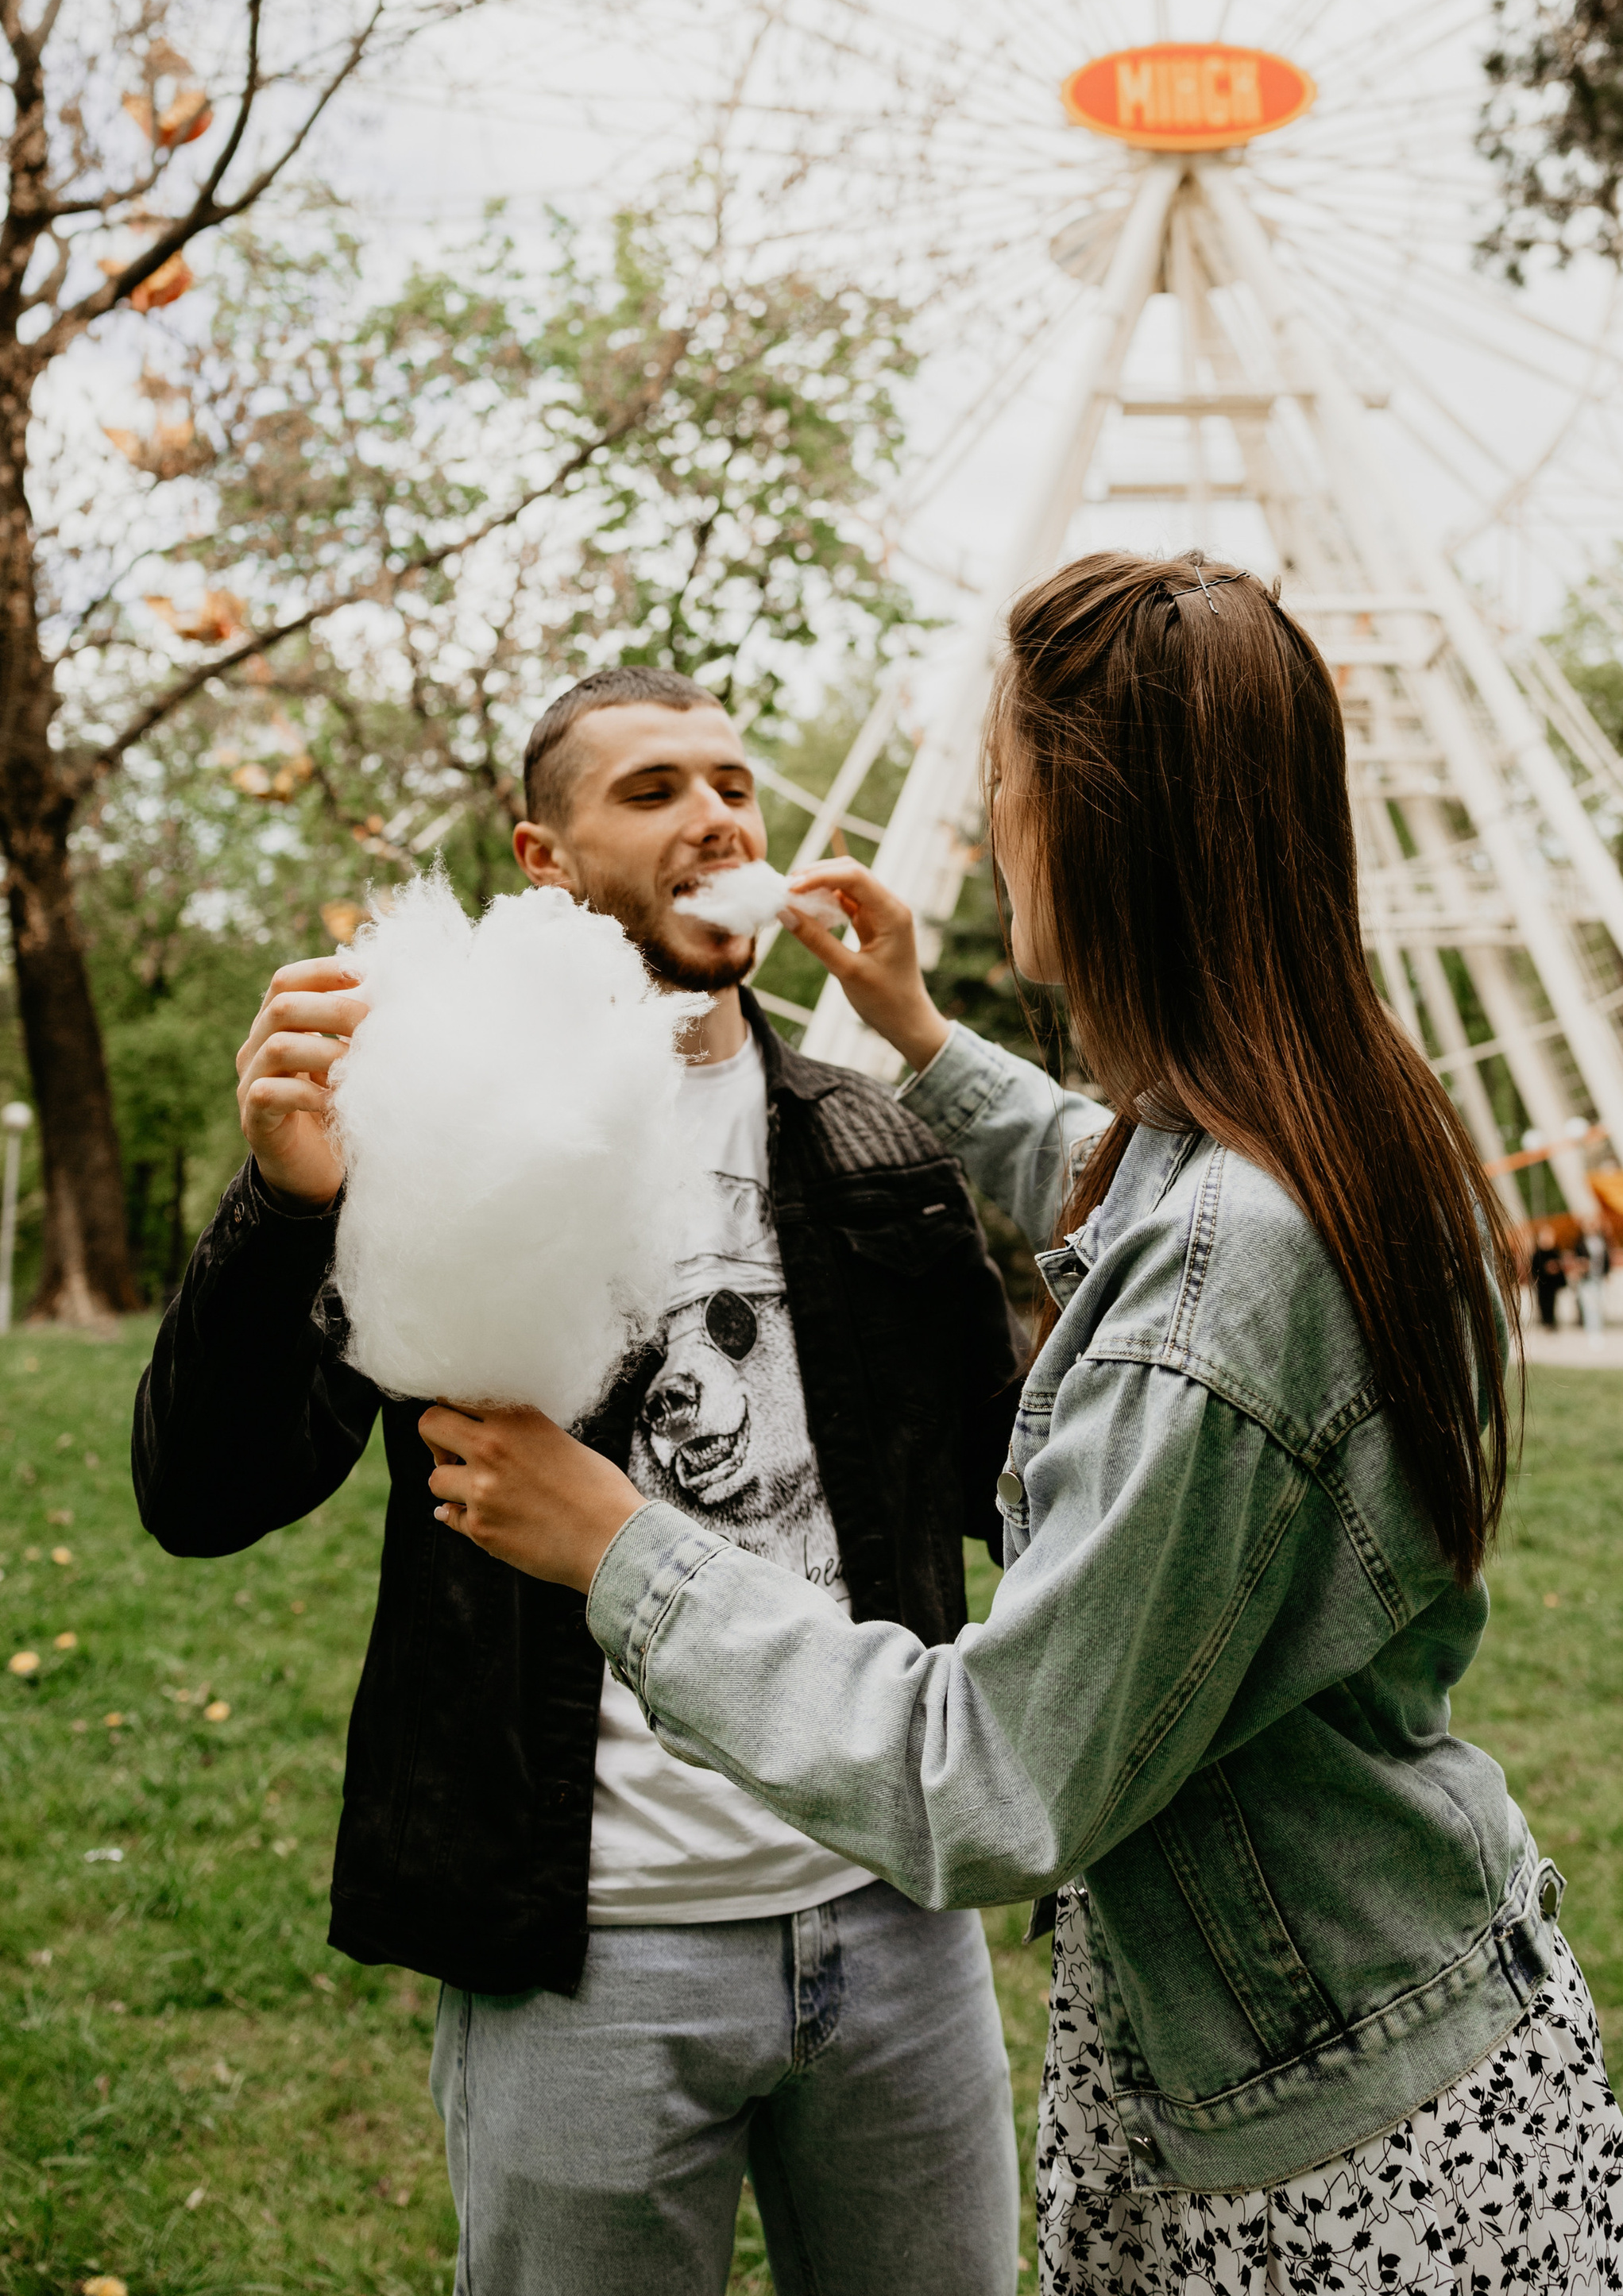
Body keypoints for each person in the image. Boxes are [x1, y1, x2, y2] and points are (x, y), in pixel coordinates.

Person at [415, 555, 1623, 2296]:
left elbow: (993, 1776)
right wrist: (924, 1039)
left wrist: (614, 1546)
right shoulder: (1328, 1131)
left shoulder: (1231, 1267)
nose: (990, 825)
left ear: (1095, 830)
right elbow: (1130, 1194)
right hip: (1370, 2000)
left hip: (1320, 2130)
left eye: (1003, 784)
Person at [133, 669, 1027, 2296]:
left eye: (736, 784)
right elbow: (204, 1492)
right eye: (653, 789)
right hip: (589, 1952)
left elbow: (1015, 1487)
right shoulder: (428, 1136)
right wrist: (282, 1206)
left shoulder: (864, 1144)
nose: (717, 817)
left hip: (890, 1916)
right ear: (544, 861)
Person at [1527, 1220, 1567, 1332]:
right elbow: (1535, 1268)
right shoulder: (1537, 1253)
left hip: (1553, 1284)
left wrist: (1555, 1268)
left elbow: (1560, 1266)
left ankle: (1552, 1322)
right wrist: (1546, 1269)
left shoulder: (1555, 1251)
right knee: (1543, 1303)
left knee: (1553, 1303)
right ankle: (1545, 1322)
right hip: (1542, 1284)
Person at [1575, 1213, 1610, 1339]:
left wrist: (1607, 1273)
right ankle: (1591, 1329)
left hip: (1599, 1276)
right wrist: (1582, 1265)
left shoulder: (1602, 1241)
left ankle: (1598, 1327)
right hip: (1587, 1277)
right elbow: (1577, 1260)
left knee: (1599, 1302)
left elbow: (1607, 1259)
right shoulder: (1580, 1243)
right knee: (1589, 1304)